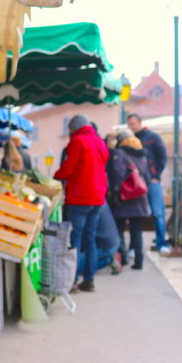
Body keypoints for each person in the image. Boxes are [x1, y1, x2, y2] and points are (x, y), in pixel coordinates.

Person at [53, 114, 109, 292]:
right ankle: (90, 279)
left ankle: (73, 280)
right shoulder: (99, 141)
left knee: (74, 238)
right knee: (90, 238)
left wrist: (57, 176)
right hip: (98, 197)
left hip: (80, 196)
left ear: (73, 128)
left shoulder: (78, 141)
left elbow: (69, 167)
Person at [107, 128, 153, 270]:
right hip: (139, 197)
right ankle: (139, 261)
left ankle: (124, 258)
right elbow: (146, 177)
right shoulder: (142, 154)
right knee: (136, 230)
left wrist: (114, 193)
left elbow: (118, 174)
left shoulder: (120, 153)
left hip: (124, 197)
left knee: (119, 228)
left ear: (121, 140)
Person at [126, 113, 169, 253]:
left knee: (158, 213)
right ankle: (134, 247)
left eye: (133, 123)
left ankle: (162, 243)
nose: (131, 126)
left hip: (151, 181)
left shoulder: (152, 137)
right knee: (135, 216)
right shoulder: (129, 139)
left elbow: (162, 157)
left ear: (139, 122)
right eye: (129, 124)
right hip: (135, 183)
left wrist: (156, 175)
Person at [93, 202, 122, 275]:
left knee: (75, 266)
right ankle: (110, 257)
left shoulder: (89, 204)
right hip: (111, 242)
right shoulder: (100, 199)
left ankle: (109, 260)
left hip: (105, 245)